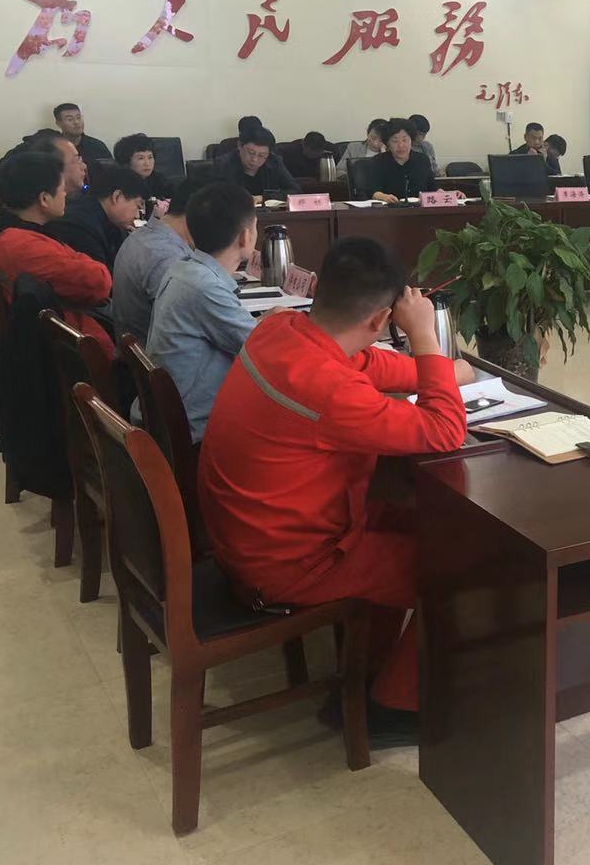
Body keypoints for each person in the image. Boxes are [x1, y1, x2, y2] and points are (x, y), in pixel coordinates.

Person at [198, 237, 475, 745]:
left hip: (251, 534)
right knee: (463, 573)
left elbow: (364, 364)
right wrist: (425, 339)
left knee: (438, 528)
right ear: (381, 320)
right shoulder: (329, 391)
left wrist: (437, 372)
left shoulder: (280, 328)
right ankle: (391, 708)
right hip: (290, 563)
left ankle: (371, 668)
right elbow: (444, 431)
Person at [145, 182, 261, 441]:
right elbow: (264, 350)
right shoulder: (203, 286)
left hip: (174, 417)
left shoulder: (185, 269)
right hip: (197, 432)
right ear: (245, 236)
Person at [0, 152, 114, 358]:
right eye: (62, 189)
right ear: (44, 199)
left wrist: (78, 259)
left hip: (64, 336)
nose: (65, 194)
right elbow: (99, 282)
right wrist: (80, 259)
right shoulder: (21, 245)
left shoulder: (17, 230)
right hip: (74, 350)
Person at [111, 176, 202, 345]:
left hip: (139, 352)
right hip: (155, 357)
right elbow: (196, 326)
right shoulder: (168, 256)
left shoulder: (146, 236)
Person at [48, 162, 145, 269]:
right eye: (137, 206)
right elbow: (100, 275)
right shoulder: (80, 228)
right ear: (117, 197)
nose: (137, 215)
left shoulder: (109, 221)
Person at [213, 126, 299, 202]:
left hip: (268, 213)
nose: (254, 159)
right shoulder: (222, 165)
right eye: (251, 152)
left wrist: (264, 198)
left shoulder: (274, 162)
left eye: (261, 155)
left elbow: (295, 191)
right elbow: (215, 197)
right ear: (239, 146)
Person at [370, 118, 436, 202]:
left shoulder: (423, 160)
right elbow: (372, 191)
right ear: (388, 143)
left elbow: (432, 188)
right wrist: (381, 196)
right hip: (390, 208)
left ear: (411, 141)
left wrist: (440, 193)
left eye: (405, 140)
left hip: (419, 208)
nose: (401, 145)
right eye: (395, 141)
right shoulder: (378, 161)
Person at [114, 133, 175, 207]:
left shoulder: (160, 180)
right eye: (141, 158)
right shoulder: (120, 184)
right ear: (126, 161)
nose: (147, 163)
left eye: (150, 157)